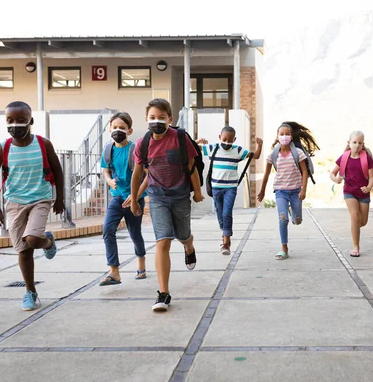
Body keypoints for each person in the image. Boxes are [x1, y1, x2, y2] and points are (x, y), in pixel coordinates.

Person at [0, 101, 64, 311]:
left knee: (33, 239)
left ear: (30, 121)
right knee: (24, 250)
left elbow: (57, 170)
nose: (15, 124)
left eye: (21, 120)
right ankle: (30, 292)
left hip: (40, 199)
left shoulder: (43, 144)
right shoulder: (3, 148)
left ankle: (47, 243)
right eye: (10, 120)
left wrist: (60, 198)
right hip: (15, 202)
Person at [130, 98, 204, 312]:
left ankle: (189, 247)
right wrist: (135, 199)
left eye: (161, 118)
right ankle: (164, 293)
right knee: (163, 241)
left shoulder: (180, 138)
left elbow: (191, 168)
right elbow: (138, 173)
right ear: (146, 119)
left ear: (170, 119)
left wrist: (197, 192)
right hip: (157, 197)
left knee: (183, 236)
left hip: (180, 196)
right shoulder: (142, 144)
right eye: (152, 117)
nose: (157, 121)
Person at [99, 112, 148, 286]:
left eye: (122, 128)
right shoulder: (108, 149)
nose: (117, 131)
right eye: (114, 128)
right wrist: (108, 180)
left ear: (129, 130)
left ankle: (141, 263)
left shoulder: (135, 149)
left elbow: (147, 175)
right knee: (107, 229)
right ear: (109, 130)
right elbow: (105, 169)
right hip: (117, 197)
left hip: (135, 198)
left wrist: (135, 197)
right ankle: (114, 271)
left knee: (134, 233)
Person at [257, 122, 319, 260]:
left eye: (287, 134)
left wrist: (303, 190)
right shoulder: (273, 155)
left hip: (296, 191)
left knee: (297, 221)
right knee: (282, 218)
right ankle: (284, 248)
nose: (284, 136)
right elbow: (266, 175)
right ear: (277, 136)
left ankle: (293, 212)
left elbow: (304, 171)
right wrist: (262, 191)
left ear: (291, 137)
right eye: (281, 134)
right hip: (281, 191)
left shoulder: (298, 153)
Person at [196, 126, 262, 255]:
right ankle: (225, 232)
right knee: (220, 213)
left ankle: (226, 242)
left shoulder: (237, 150)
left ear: (234, 139)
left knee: (227, 213)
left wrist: (259, 145)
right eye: (224, 139)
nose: (226, 142)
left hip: (230, 188)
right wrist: (198, 141)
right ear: (219, 137)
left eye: (230, 140)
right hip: (216, 188)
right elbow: (191, 147)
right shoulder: (213, 148)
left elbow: (256, 156)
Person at [330, 131, 373, 257]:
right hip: (349, 191)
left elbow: (372, 177)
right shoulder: (344, 157)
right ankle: (356, 247)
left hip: (363, 192)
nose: (357, 145)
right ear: (349, 143)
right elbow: (332, 173)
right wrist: (335, 179)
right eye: (354, 142)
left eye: (360, 143)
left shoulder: (366, 158)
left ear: (363, 144)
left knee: (363, 222)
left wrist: (369, 187)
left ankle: (355, 228)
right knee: (354, 216)